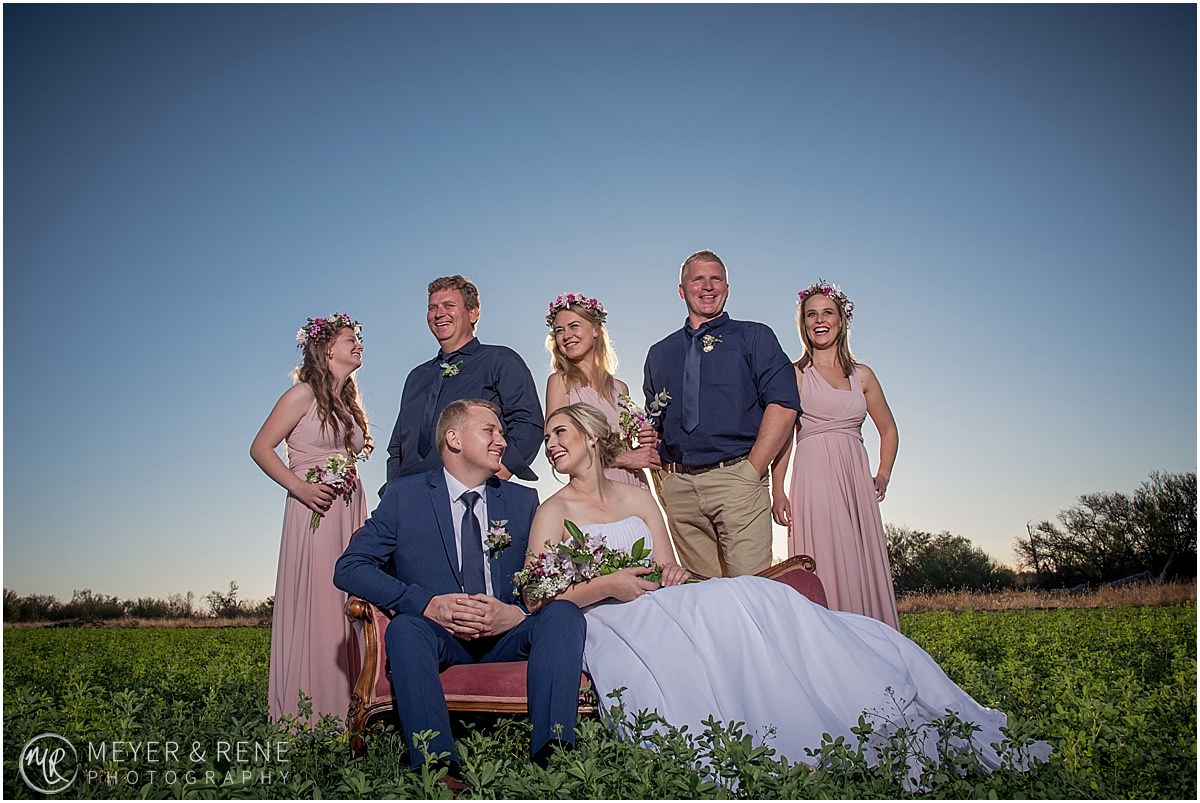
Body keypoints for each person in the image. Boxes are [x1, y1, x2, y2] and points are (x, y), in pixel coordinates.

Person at [527, 403, 1049, 777]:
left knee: (753, 595)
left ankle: (851, 693)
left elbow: (669, 563)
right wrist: (606, 584)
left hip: (659, 599)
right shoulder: (551, 512)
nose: (551, 445)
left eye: (560, 433)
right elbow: (538, 604)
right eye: (548, 438)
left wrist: (673, 574)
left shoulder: (636, 499)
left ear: (593, 438)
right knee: (729, 603)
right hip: (607, 619)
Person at [334, 398, 586, 786]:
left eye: (501, 432)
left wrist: (516, 612)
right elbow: (349, 567)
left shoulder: (522, 501)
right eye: (491, 430)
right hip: (441, 639)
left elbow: (541, 575)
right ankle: (437, 767)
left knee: (564, 615)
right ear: (454, 438)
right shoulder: (405, 497)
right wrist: (426, 605)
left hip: (506, 635)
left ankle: (554, 756)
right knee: (405, 629)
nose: (502, 440)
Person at [643, 250, 801, 577]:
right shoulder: (659, 354)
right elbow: (655, 426)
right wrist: (665, 482)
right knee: (705, 601)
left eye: (716, 278)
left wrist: (751, 472)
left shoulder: (754, 337)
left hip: (738, 479)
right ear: (681, 290)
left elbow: (784, 406)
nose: (707, 286)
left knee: (750, 593)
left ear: (727, 288)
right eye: (697, 279)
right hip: (681, 492)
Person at [251, 313, 372, 723]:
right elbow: (261, 447)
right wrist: (300, 489)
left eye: (358, 339)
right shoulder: (302, 395)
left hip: (350, 512)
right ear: (326, 349)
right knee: (322, 598)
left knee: (352, 598)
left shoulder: (347, 401)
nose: (358, 345)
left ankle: (357, 704)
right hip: (315, 511)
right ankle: (315, 711)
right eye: (350, 339)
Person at [770, 280, 900, 629]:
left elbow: (888, 429)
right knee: (825, 560)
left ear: (842, 320)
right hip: (814, 478)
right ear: (803, 324)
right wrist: (777, 489)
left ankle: (877, 646)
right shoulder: (795, 375)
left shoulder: (863, 376)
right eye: (811, 314)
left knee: (861, 561)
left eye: (827, 312)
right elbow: (782, 437)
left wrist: (883, 473)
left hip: (856, 480)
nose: (819, 320)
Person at [385, 275, 543, 489]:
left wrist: (498, 473)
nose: (439, 313)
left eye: (449, 305)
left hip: (473, 493)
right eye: (432, 308)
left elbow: (528, 423)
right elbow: (398, 446)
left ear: (473, 313)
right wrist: (394, 489)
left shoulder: (500, 360)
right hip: (411, 494)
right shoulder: (416, 376)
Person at [544, 292, 660, 488]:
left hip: (634, 483)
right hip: (595, 488)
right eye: (559, 331)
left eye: (574, 326)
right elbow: (555, 449)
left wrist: (646, 440)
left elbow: (627, 444)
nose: (566, 336)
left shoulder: (620, 387)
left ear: (595, 329)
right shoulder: (559, 382)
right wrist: (624, 459)